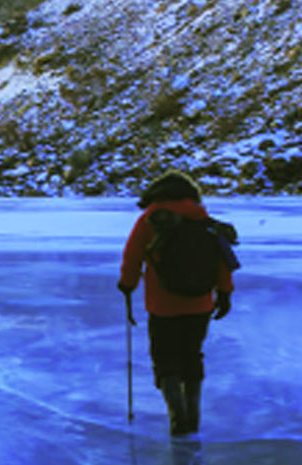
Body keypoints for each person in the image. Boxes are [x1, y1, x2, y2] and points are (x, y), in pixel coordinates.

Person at [117, 170, 235, 436]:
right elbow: (222, 260)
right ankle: (193, 416)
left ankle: (177, 417)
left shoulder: (149, 220)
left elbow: (132, 256)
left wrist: (127, 285)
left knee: (165, 358)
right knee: (192, 355)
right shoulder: (203, 220)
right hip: (200, 305)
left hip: (162, 306)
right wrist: (225, 293)